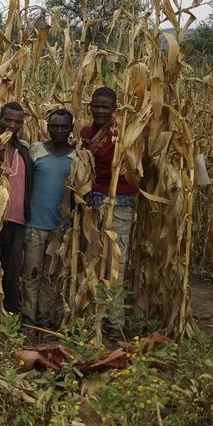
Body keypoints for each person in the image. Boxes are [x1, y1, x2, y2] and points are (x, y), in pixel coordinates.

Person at [80, 86, 137, 322]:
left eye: (105, 107)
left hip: (119, 202)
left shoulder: (124, 133)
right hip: (93, 202)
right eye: (96, 105)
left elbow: (136, 167)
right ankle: (92, 317)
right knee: (91, 258)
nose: (100, 110)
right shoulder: (86, 131)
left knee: (115, 262)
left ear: (115, 108)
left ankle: (115, 321)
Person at [22, 109, 77, 326]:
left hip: (61, 228)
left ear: (71, 129)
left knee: (51, 277)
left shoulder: (77, 156)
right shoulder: (35, 150)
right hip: (35, 225)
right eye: (54, 126)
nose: (59, 130)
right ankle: (27, 319)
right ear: (48, 126)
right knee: (31, 275)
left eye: (64, 126)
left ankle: (45, 320)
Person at [0, 101, 34, 313]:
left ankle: (9, 315)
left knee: (13, 271)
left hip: (17, 220)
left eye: (17, 121)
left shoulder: (24, 150)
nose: (11, 125)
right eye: (8, 120)